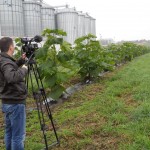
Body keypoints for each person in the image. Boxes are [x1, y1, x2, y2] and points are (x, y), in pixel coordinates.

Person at [0, 37, 28, 150]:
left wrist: (20, 61)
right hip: (15, 103)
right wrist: (24, 69)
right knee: (18, 137)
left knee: (9, 133)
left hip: (7, 102)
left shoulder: (3, 59)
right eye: (13, 45)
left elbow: (10, 68)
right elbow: (11, 77)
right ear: (11, 47)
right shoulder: (5, 62)